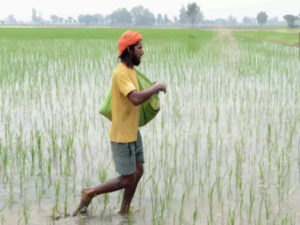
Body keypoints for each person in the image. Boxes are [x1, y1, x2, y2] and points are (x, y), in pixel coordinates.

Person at [73, 30, 166, 216]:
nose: (143, 51)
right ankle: (90, 192)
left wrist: (151, 87)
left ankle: (123, 211)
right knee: (127, 179)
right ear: (129, 50)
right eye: (139, 48)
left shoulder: (131, 72)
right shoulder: (121, 73)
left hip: (133, 131)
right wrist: (156, 87)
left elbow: (138, 93)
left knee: (138, 171)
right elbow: (135, 98)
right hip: (122, 135)